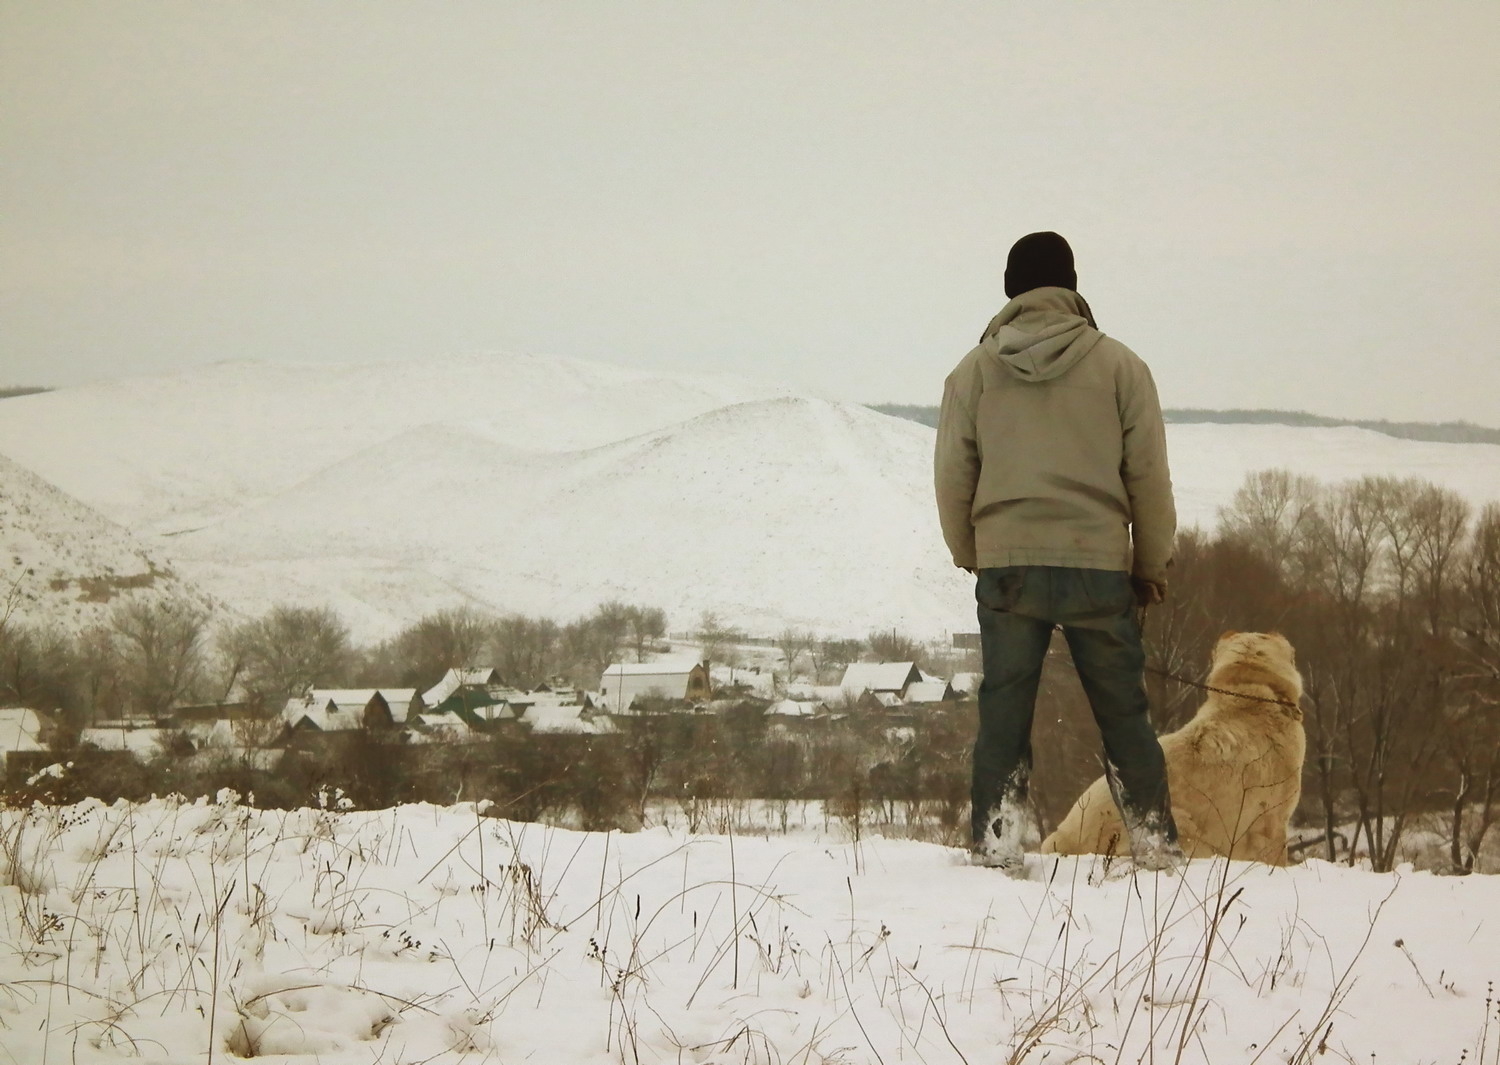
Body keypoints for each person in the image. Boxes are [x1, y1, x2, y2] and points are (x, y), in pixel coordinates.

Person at [933, 231, 1182, 874]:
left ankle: (996, 843)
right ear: (1071, 286)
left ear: (1011, 290)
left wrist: (972, 552)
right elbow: (1148, 476)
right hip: (1098, 564)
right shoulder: (1122, 367)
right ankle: (1153, 845)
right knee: (1123, 711)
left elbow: (953, 474)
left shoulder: (974, 370)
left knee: (1005, 711)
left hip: (1009, 565)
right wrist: (1149, 567)